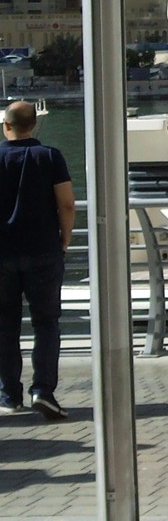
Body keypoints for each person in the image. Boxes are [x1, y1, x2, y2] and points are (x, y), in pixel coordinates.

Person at [0, 100, 74, 420]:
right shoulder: (50, 156)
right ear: (35, 125)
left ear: (6, 126)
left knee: (5, 326)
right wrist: (65, 239)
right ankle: (43, 391)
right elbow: (67, 204)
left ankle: (9, 395)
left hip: (1, 254)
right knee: (46, 323)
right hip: (44, 251)